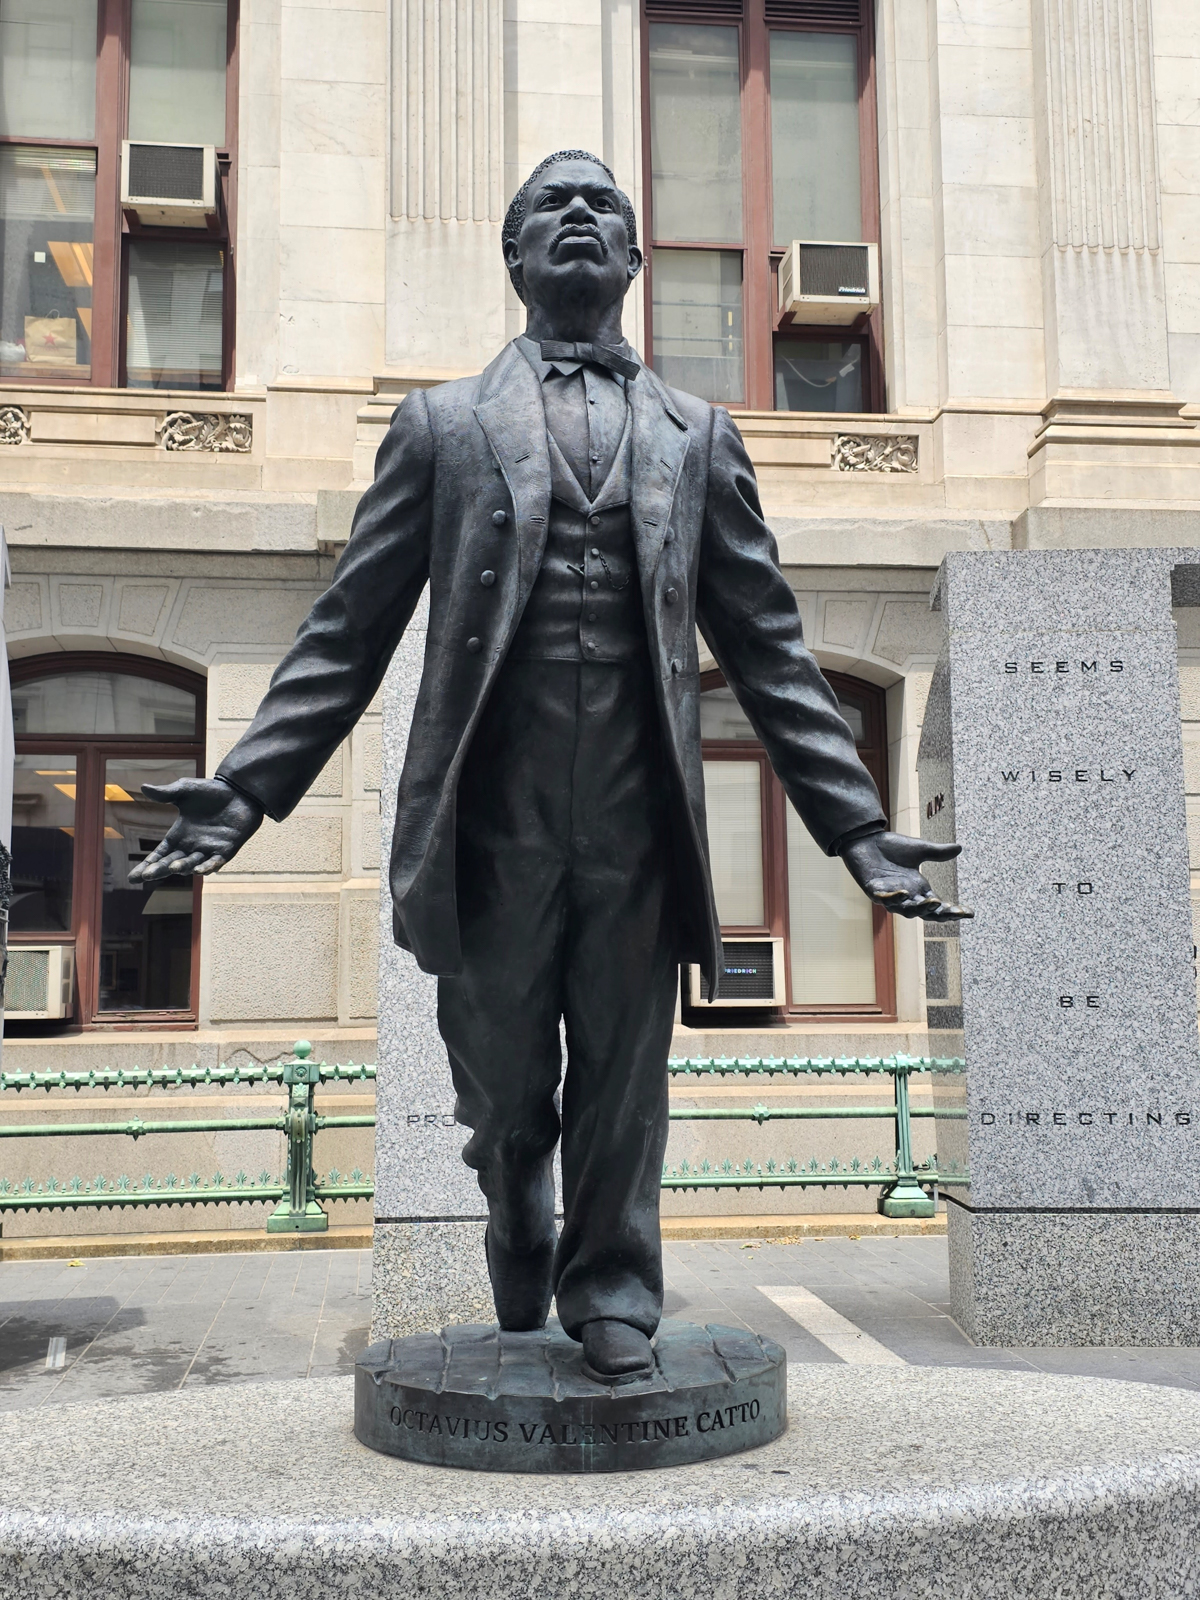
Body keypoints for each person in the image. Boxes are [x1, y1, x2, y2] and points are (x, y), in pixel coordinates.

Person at [131, 150, 969, 1383]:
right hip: (491, 823)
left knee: (626, 1074)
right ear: (517, 260)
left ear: (634, 260)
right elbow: (349, 629)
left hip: (639, 819)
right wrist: (249, 785)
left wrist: (855, 829)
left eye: (604, 207)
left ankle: (614, 1285)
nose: (578, 216)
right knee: (507, 1086)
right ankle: (513, 1193)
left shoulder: (698, 438)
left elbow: (771, 650)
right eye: (547, 207)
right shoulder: (444, 427)